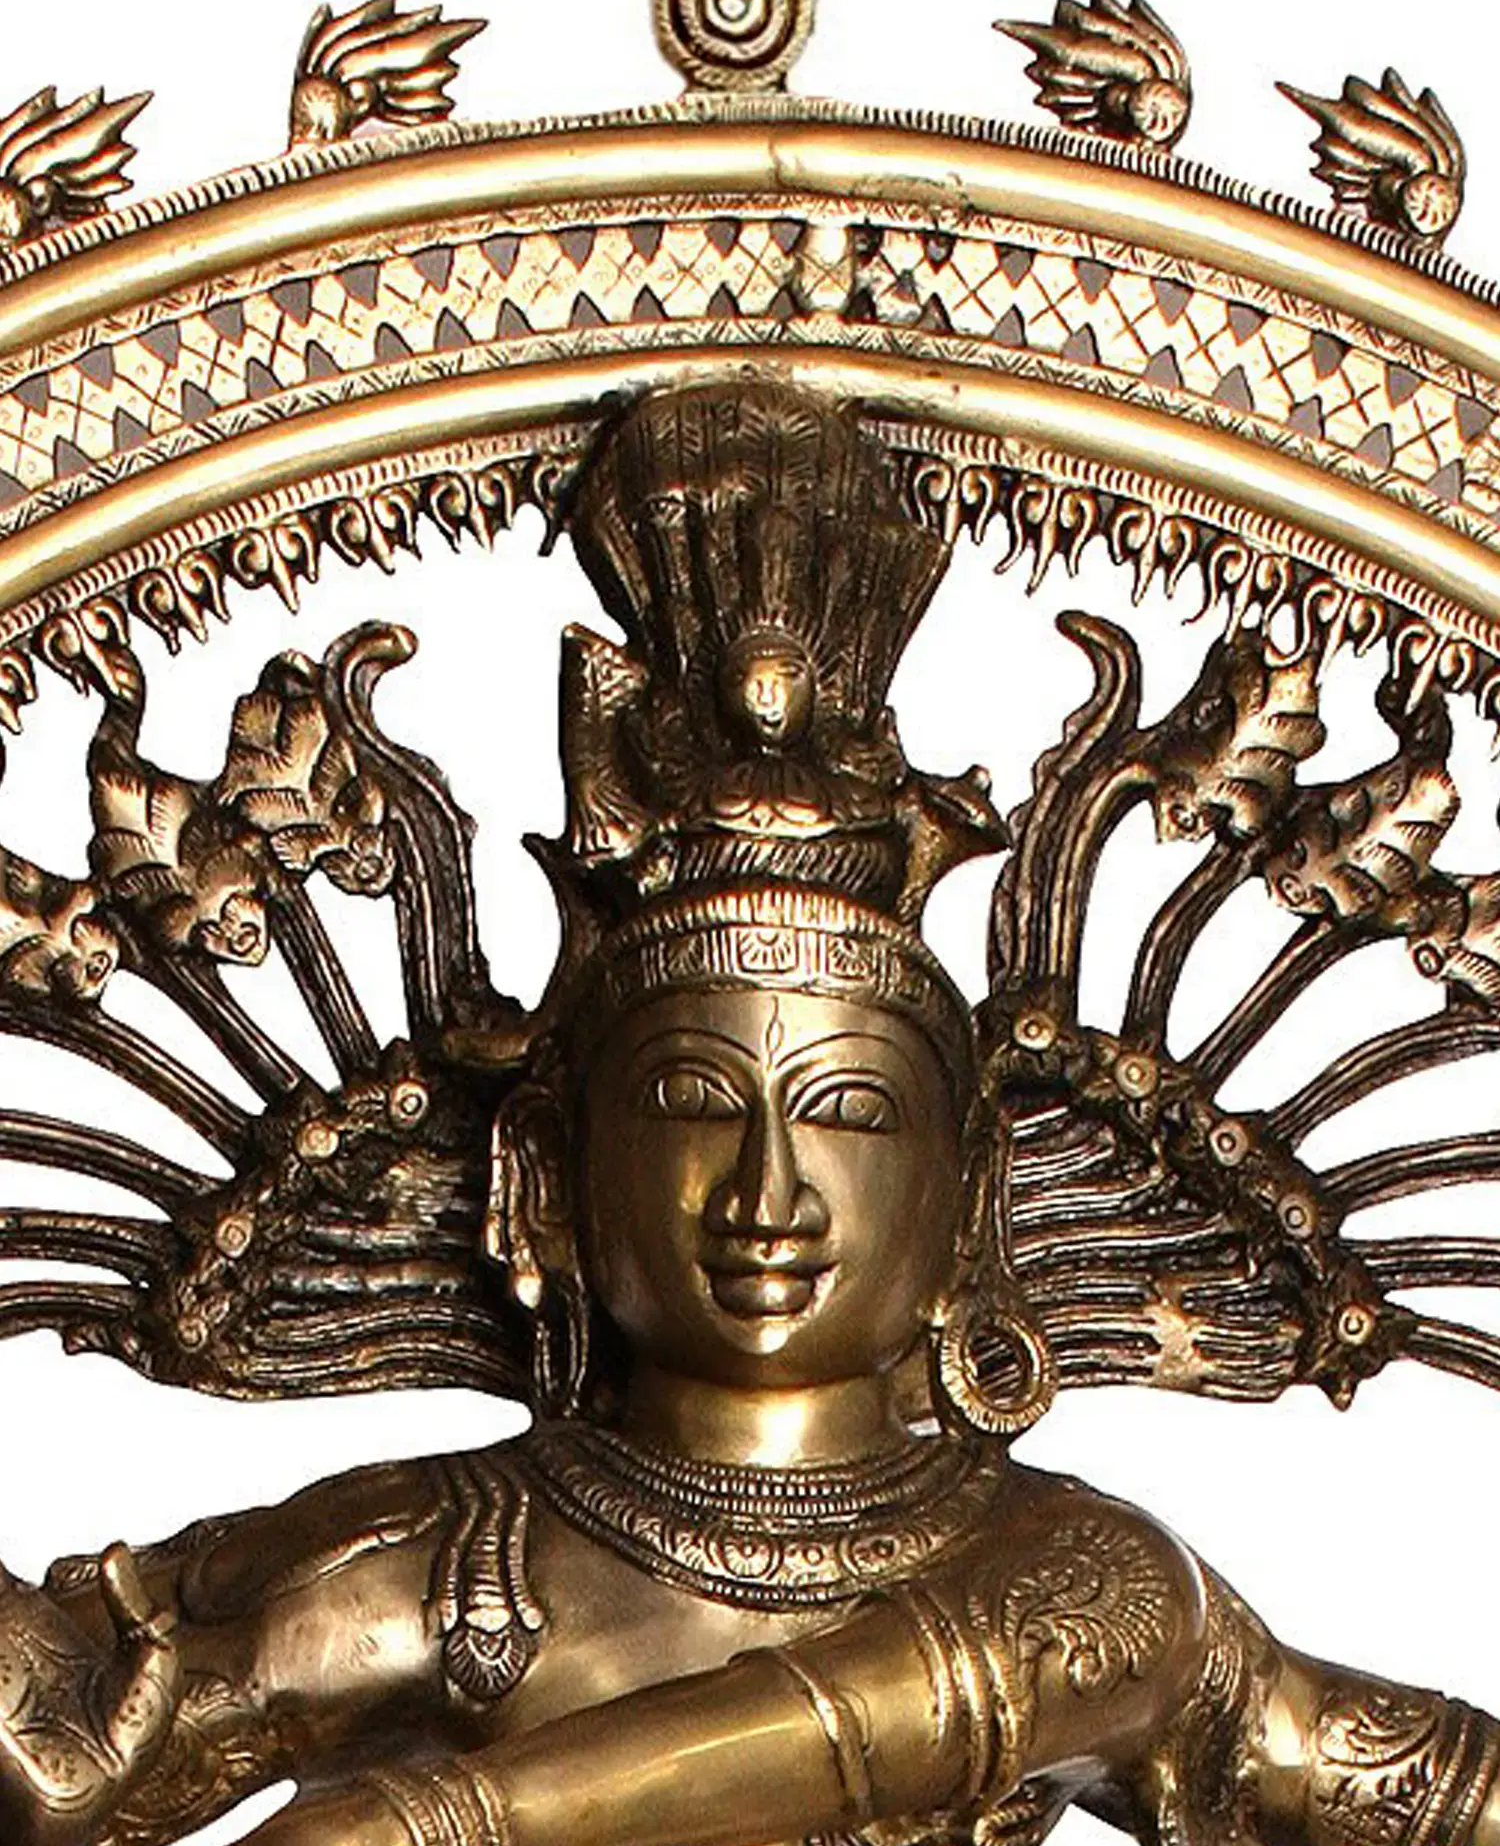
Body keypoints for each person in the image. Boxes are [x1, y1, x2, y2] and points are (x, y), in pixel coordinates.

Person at [2, 384, 1496, 1846]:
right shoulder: (442, 1567)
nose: (766, 1196)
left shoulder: (1090, 1584)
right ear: (544, 1176)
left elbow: (1429, 1787)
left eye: (847, 1111)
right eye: (693, 1102)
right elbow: (77, 1756)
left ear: (972, 1193)